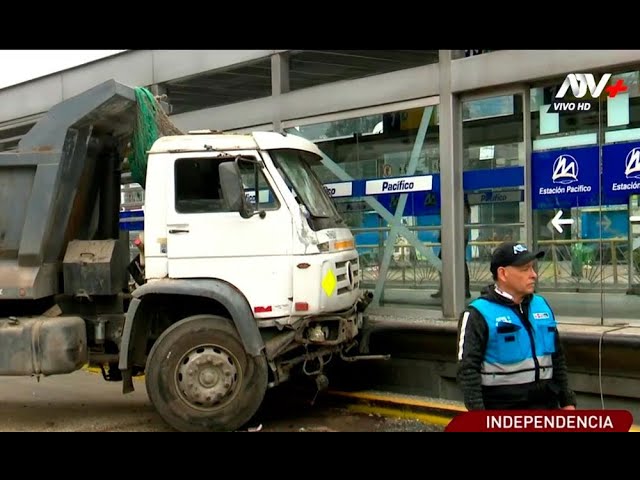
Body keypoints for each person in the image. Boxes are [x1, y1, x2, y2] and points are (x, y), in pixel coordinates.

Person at [456, 241, 577, 410]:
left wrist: (567, 401)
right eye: (525, 269)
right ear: (503, 273)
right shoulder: (478, 313)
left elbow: (557, 358)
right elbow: (468, 371)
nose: (533, 274)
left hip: (547, 407)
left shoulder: (541, 305)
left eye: (533, 268)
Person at [432, 196, 471, 299]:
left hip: (457, 237)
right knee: (456, 261)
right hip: (454, 237)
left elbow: (451, 221)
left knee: (458, 262)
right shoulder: (458, 204)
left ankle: (461, 289)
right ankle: (455, 289)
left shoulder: (458, 204)